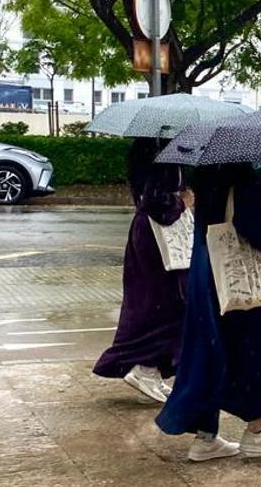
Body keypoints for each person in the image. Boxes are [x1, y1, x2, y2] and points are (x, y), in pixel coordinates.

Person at [155, 163, 261, 462]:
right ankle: (257, 431)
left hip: (206, 274)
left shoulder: (205, 175)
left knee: (210, 351)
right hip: (237, 280)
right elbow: (255, 228)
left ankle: (206, 438)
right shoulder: (242, 175)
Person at [92, 138, 188, 403]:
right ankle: (145, 367)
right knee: (165, 304)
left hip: (149, 237)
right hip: (158, 239)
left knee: (153, 302)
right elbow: (157, 202)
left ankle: (151, 369)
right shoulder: (160, 152)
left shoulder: (147, 148)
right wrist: (183, 202)